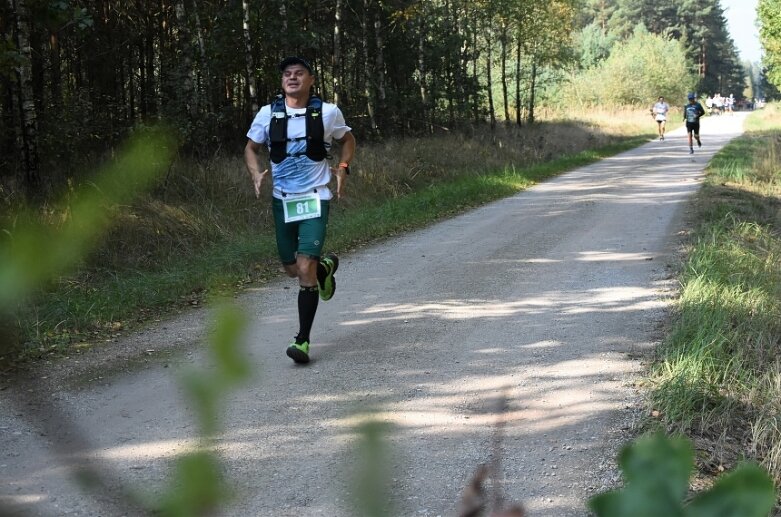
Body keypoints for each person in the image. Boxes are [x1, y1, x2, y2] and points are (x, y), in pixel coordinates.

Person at [244, 56, 356, 364]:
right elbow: (251, 148)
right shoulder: (268, 114)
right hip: (283, 200)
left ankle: (302, 341)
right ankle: (324, 269)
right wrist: (255, 172)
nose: (292, 78)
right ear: (282, 83)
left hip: (315, 197)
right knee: (293, 269)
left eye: (299, 73)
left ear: (310, 80)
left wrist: (343, 167)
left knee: (304, 267)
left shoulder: (328, 112)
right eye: (287, 75)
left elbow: (348, 140)